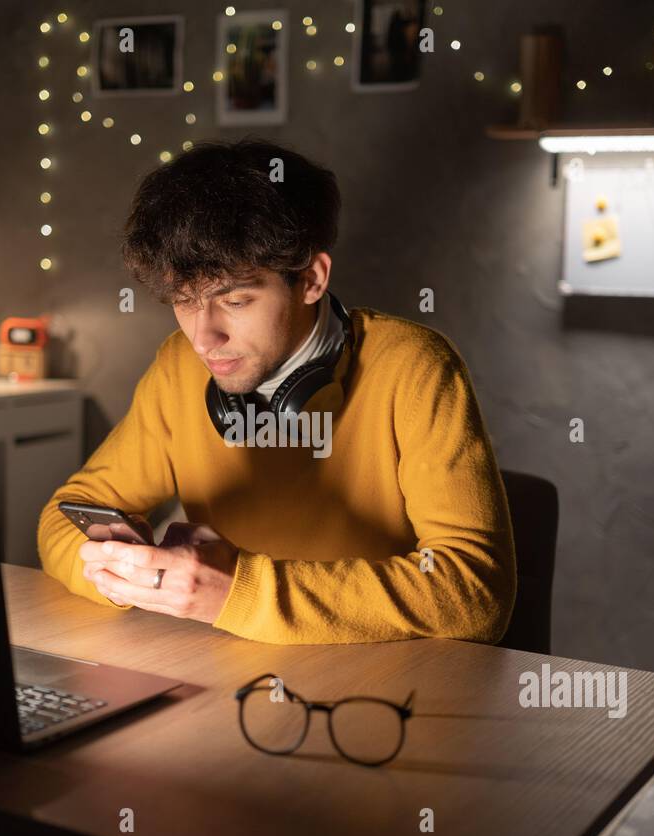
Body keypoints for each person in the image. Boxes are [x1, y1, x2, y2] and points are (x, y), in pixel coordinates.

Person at [37, 137, 516, 645]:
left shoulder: (415, 365)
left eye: (236, 301)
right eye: (183, 300)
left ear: (311, 279)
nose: (203, 338)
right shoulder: (179, 364)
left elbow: (475, 592)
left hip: (381, 692)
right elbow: (67, 513)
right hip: (231, 677)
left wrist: (236, 593)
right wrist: (123, 575)